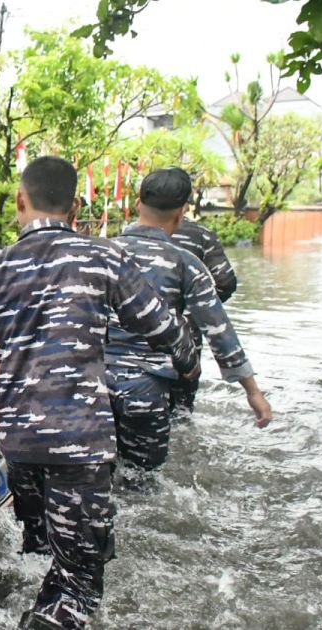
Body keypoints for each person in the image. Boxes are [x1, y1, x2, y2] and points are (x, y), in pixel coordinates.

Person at [0, 156, 198, 630]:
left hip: (19, 444)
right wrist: (188, 364)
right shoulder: (104, 257)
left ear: (20, 202)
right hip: (81, 446)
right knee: (80, 581)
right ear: (76, 207)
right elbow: (163, 328)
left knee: (38, 550)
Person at [107, 168, 273, 472]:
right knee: (143, 487)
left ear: (136, 203)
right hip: (148, 390)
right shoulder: (186, 263)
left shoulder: (100, 253)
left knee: (97, 481)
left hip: (91, 387)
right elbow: (219, 330)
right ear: (182, 212)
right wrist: (253, 392)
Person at [169, 215, 238, 414]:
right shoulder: (202, 235)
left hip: (137, 338)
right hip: (187, 336)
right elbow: (225, 282)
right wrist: (199, 306)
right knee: (182, 411)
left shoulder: (126, 237)